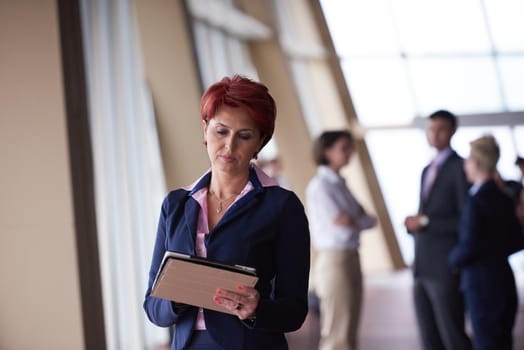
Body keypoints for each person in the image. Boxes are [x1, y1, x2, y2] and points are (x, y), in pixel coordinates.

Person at [143, 75, 311, 350]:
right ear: (205, 130)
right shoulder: (175, 205)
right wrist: (177, 297)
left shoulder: (282, 206)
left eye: (244, 136)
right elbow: (152, 307)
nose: (229, 147)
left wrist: (257, 309)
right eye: (221, 131)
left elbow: (294, 311)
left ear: (260, 142)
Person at [404, 110, 472, 350]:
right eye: (430, 129)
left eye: (440, 129)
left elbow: (466, 220)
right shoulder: (426, 169)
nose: (434, 134)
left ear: (452, 131)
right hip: (422, 264)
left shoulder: (461, 168)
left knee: (452, 334)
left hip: (444, 265)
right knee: (429, 336)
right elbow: (427, 214)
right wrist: (414, 225)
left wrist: (425, 223)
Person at [449, 135, 524, 350]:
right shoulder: (504, 198)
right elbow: (517, 240)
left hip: (482, 286)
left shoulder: (476, 202)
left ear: (475, 163)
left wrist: (452, 259)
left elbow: (469, 246)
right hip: (503, 281)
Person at [306, 130, 376, 350]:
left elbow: (369, 221)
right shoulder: (320, 186)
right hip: (334, 261)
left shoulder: (340, 183)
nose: (350, 153)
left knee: (350, 331)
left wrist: (353, 219)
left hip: (351, 256)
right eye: (344, 148)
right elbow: (343, 227)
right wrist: (357, 218)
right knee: (337, 334)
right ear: (327, 152)